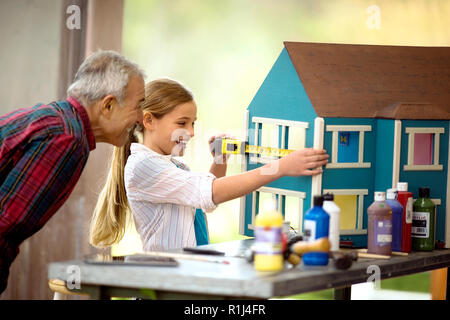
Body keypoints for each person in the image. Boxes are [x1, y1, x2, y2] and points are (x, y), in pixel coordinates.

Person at [90, 78, 329, 252]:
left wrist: (219, 160)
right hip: (171, 282)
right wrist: (280, 167)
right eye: (183, 122)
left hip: (193, 272)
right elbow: (210, 193)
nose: (192, 132)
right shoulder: (144, 167)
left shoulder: (172, 166)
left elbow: (201, 204)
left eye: (194, 123)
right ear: (149, 120)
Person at [0, 50, 145, 294]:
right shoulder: (68, 139)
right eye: (138, 106)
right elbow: (6, 224)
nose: (141, 118)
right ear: (108, 105)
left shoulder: (58, 119)